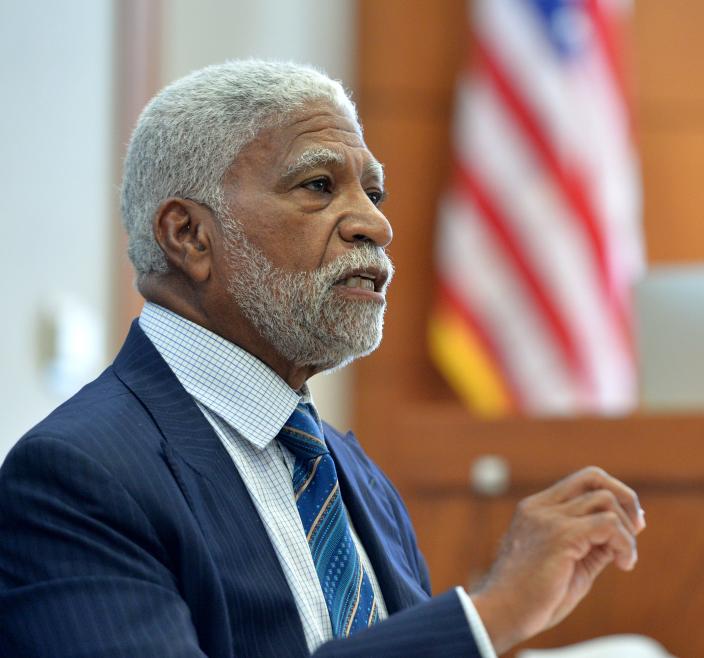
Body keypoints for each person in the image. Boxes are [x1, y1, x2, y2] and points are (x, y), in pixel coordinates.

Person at [0, 60, 645, 657]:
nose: (374, 224)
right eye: (318, 184)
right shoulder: (76, 477)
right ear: (189, 235)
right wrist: (488, 616)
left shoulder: (354, 474)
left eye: (373, 193)